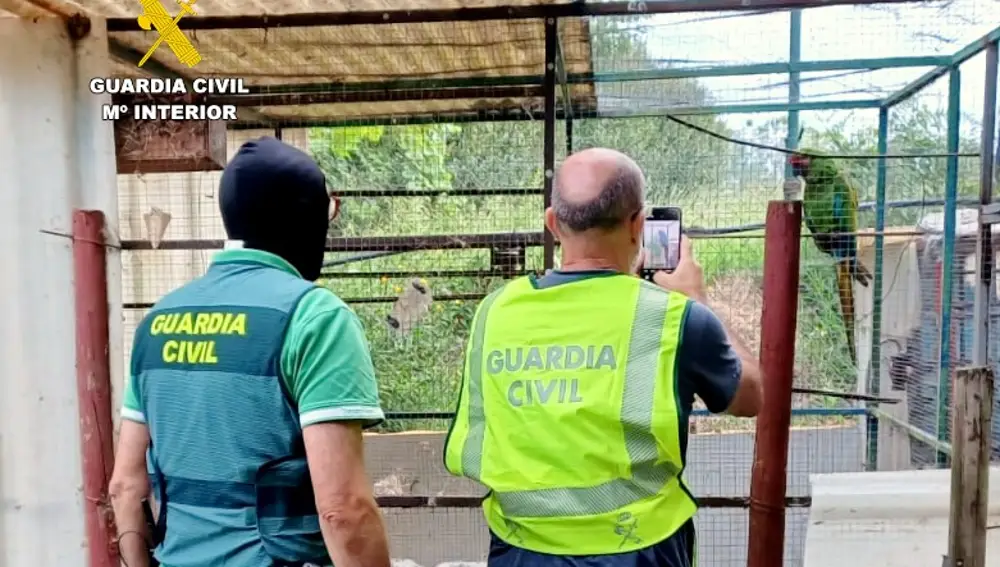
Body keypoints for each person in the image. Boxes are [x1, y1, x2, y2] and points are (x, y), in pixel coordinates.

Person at [443, 147, 764, 567]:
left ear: (553, 223)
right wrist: (697, 299)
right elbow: (752, 397)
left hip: (522, 551)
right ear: (637, 225)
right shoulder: (674, 318)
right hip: (640, 551)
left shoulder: (494, 311)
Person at [109, 136, 391, 567]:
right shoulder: (314, 317)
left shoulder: (158, 321)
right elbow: (343, 511)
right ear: (307, 216)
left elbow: (125, 488)